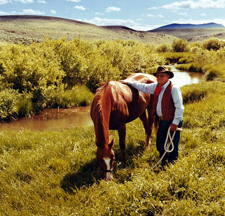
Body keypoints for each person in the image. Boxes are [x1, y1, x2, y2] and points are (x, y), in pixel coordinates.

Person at [121, 66, 184, 166]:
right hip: (163, 121)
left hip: (172, 121)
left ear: (168, 76)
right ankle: (164, 162)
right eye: (158, 76)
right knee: (160, 144)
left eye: (162, 76)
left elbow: (179, 108)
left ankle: (172, 165)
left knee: (172, 145)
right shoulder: (156, 87)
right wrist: (128, 82)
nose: (159, 78)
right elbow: (143, 87)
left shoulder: (174, 89)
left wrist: (175, 123)